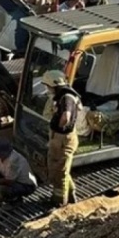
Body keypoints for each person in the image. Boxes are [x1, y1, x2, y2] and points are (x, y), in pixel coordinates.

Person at [41, 70, 81, 206]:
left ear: (54, 85)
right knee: (60, 169)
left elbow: (66, 117)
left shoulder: (66, 97)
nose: (47, 89)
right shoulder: (64, 96)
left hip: (62, 139)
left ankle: (59, 201)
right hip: (60, 138)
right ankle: (70, 194)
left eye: (48, 86)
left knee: (60, 172)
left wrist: (58, 127)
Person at [0, 138, 37, 203]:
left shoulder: (13, 161)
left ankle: (15, 200)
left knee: (5, 189)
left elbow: (9, 182)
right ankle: (2, 194)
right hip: (9, 178)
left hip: (26, 185)